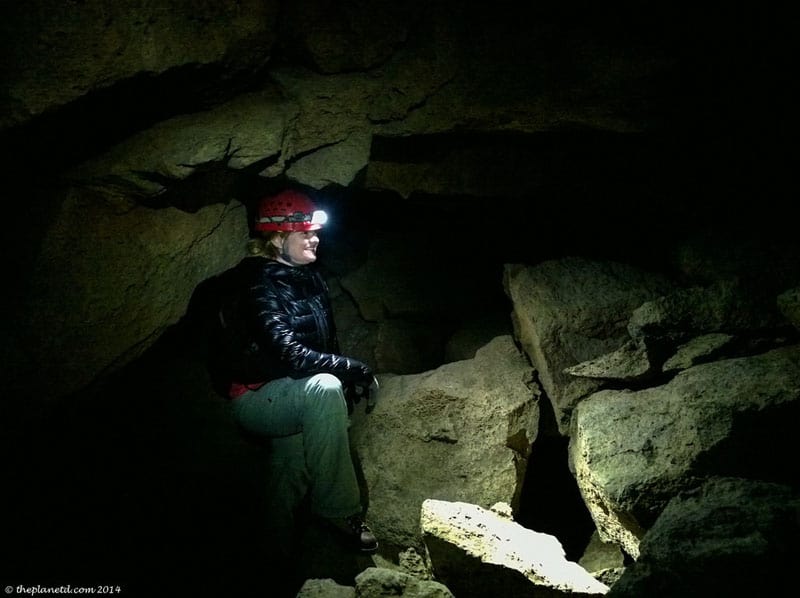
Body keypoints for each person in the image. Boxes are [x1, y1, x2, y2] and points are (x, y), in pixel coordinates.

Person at [225, 188, 379, 555]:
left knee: (290, 467)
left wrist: (345, 379)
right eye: (305, 232)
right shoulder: (257, 282)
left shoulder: (311, 277)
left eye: (316, 231)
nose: (315, 238)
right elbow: (293, 355)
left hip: (293, 394)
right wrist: (354, 371)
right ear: (278, 238)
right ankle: (339, 510)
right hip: (259, 397)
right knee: (324, 388)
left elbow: (326, 342)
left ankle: (270, 560)